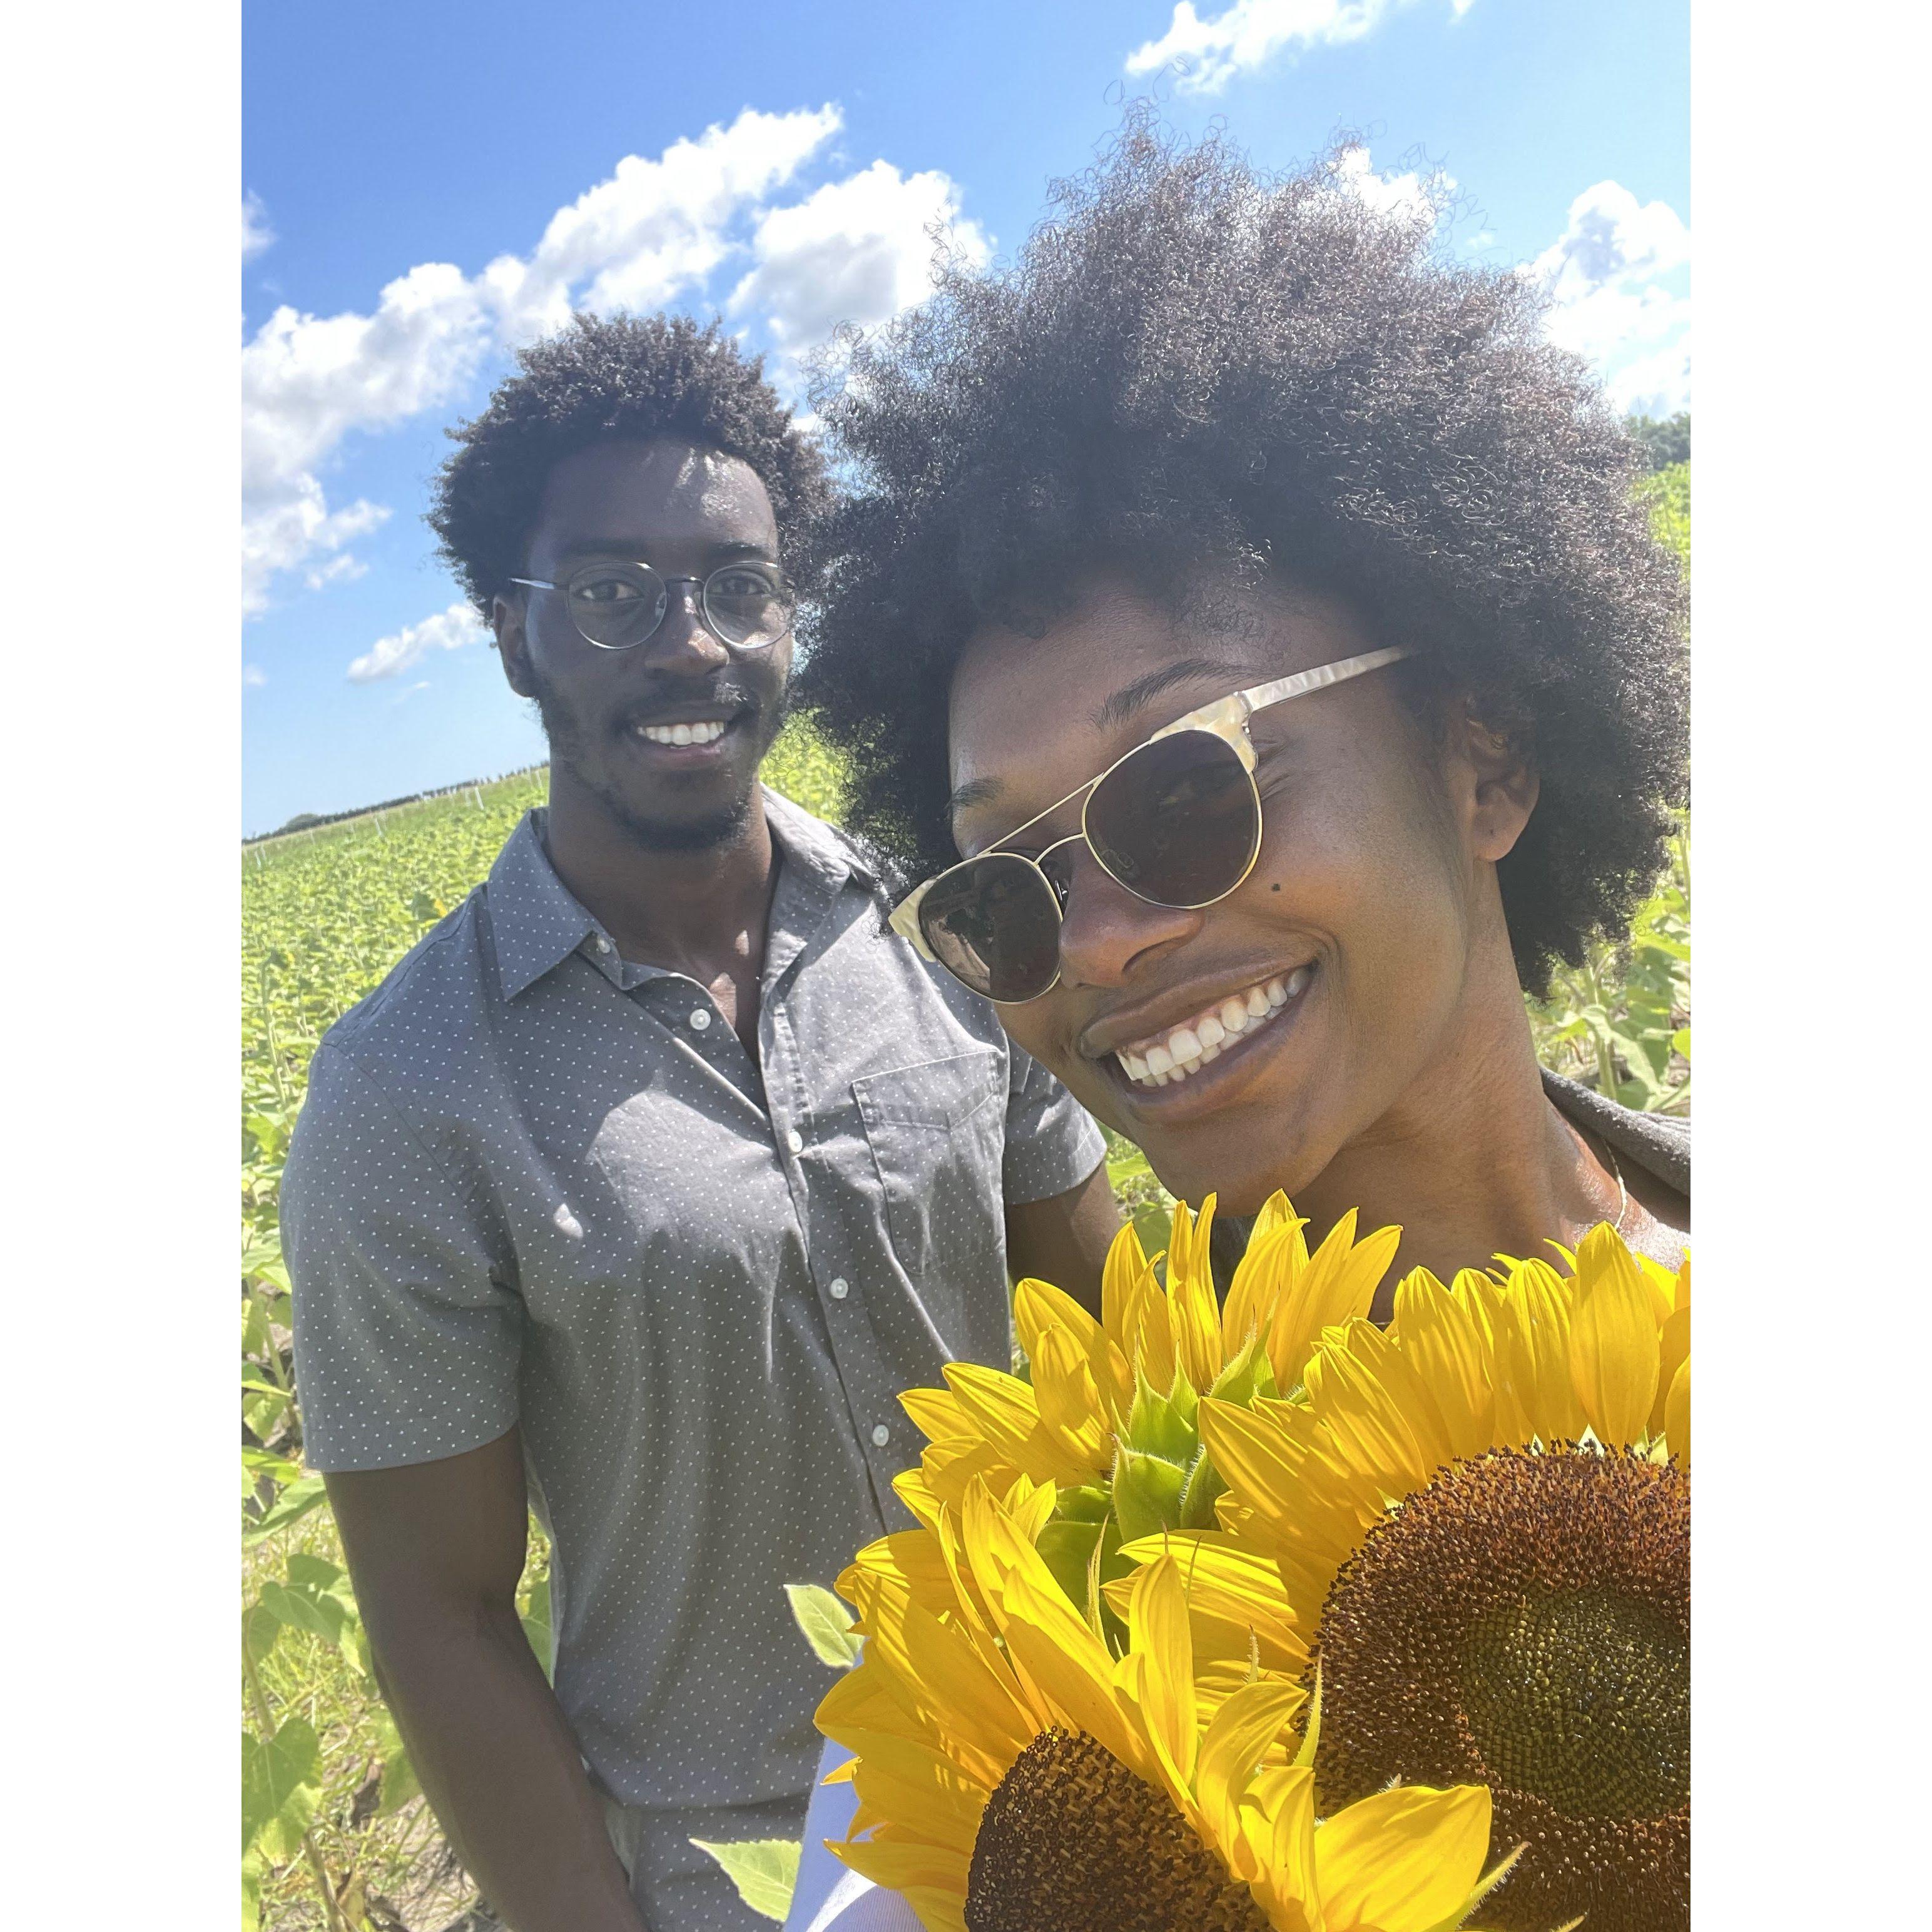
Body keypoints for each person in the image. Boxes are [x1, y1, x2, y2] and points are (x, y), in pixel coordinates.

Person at [281, 313, 1117, 1932]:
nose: (689, 646)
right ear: (515, 637)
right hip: (737, 1876)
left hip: (1085, 1767)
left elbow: (1106, 1333)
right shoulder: (409, 1092)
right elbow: (437, 1612)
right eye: (610, 596)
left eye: (737, 587)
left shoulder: (951, 917)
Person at [798, 120, 1689, 1311]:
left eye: (1182, 791)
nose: (1095, 944)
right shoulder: (1140, 1493)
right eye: (1000, 889)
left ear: (1488, 759)